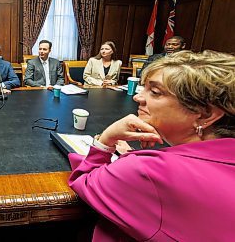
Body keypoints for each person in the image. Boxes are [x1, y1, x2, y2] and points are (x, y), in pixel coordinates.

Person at [68, 50, 235, 241]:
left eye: (155, 92)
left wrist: (106, 140)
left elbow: (85, 181)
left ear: (205, 114)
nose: (137, 98)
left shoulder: (147, 170)